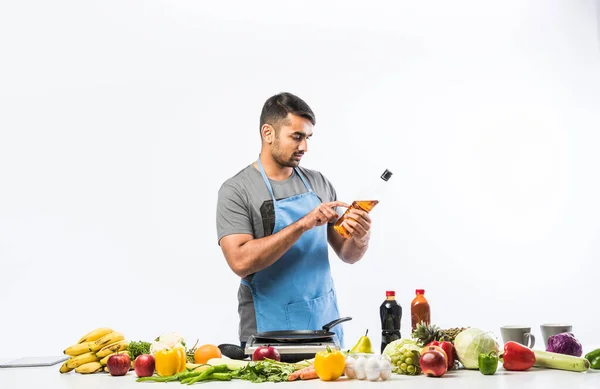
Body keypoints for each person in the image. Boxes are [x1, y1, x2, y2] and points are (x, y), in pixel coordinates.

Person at [216, 92, 373, 349]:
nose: (304, 147)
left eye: (308, 138)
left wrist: (361, 235)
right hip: (268, 334)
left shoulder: (318, 183)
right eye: (296, 137)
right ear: (268, 133)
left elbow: (348, 254)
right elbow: (240, 262)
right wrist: (303, 223)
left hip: (324, 328)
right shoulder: (237, 190)